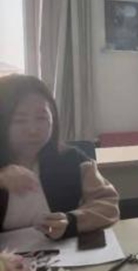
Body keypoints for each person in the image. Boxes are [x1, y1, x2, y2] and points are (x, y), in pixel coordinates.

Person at [0, 75, 119, 238]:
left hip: (60, 251)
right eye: (20, 120)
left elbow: (108, 204)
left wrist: (71, 221)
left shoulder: (73, 159)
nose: (33, 130)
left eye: (42, 118)